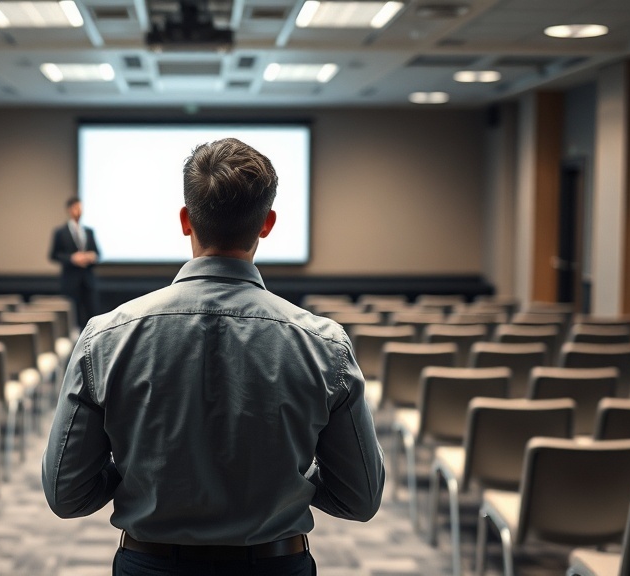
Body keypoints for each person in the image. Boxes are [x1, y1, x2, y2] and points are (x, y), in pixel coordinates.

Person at [42, 138, 385, 576]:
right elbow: (360, 498)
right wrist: (291, 480)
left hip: (149, 565)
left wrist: (134, 472)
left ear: (186, 221)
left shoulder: (105, 338)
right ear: (268, 223)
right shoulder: (325, 345)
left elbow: (66, 493)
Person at [49, 197, 100, 328]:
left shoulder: (89, 231)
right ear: (69, 209)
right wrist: (72, 258)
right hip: (70, 281)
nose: (79, 211)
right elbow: (54, 255)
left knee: (91, 314)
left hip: (88, 280)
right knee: (73, 317)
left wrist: (91, 256)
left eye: (81, 208)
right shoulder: (60, 232)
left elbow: (97, 253)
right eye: (76, 208)